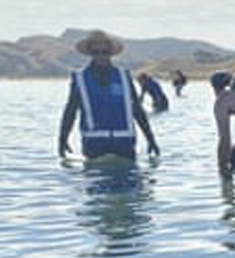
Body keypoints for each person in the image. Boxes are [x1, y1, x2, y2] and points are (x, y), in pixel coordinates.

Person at [58, 29, 160, 162]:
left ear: (110, 53)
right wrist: (62, 139)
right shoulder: (80, 78)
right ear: (90, 53)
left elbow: (137, 109)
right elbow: (71, 110)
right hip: (94, 143)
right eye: (96, 52)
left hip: (124, 142)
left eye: (104, 52)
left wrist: (150, 139)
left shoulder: (124, 77)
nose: (101, 56)